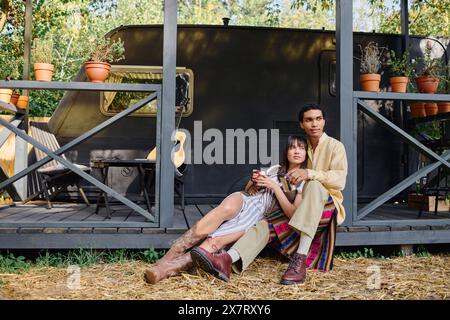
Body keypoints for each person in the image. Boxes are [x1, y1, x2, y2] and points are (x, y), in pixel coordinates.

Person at [191, 103, 348, 285]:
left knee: (313, 185)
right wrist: (258, 181)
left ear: (324, 121)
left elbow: (340, 180)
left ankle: (300, 259)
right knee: (266, 224)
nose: (314, 124)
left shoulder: (335, 147)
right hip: (301, 206)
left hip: (327, 208)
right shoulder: (303, 148)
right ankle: (227, 260)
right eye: (309, 120)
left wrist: (310, 173)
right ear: (301, 124)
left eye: (318, 119)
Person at [144, 135, 308, 284]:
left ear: (306, 153)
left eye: (301, 148)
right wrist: (253, 181)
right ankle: (174, 251)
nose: (296, 151)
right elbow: (249, 189)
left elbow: (293, 213)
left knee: (214, 240)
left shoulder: (302, 181)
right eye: (292, 147)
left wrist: (274, 186)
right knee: (224, 209)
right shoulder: (276, 169)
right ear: (286, 151)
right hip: (247, 199)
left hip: (259, 213)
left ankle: (164, 269)